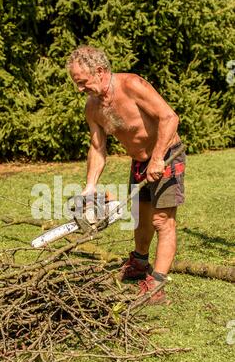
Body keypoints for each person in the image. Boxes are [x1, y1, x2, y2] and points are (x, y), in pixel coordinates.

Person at [66, 45, 185, 304]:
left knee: (162, 221)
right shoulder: (92, 107)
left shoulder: (132, 85)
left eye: (82, 82)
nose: (79, 88)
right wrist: (89, 187)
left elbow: (169, 118)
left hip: (166, 154)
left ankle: (157, 285)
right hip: (140, 161)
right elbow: (98, 147)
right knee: (140, 217)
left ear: (100, 71)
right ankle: (139, 264)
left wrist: (157, 158)